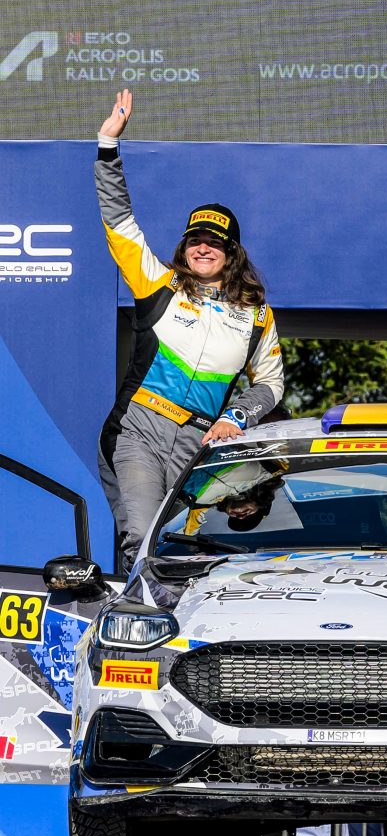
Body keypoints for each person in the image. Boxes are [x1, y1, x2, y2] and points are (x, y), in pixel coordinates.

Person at [95, 89, 284, 571]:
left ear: (231, 253)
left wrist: (236, 417)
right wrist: (108, 147)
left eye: (214, 242)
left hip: (200, 441)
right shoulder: (158, 284)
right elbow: (120, 224)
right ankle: (139, 617)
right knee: (142, 537)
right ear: (184, 247)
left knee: (184, 546)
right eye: (195, 239)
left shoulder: (256, 314)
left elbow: (270, 383)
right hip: (140, 428)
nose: (203, 248)